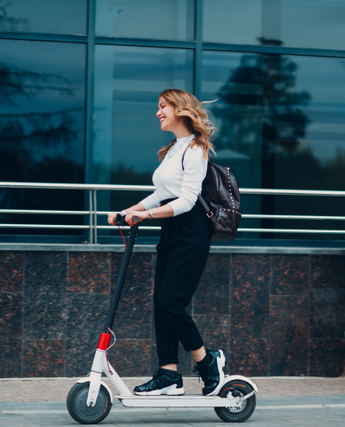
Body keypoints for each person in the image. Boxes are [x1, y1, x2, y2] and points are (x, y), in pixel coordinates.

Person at [107, 88, 227, 397]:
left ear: (180, 109)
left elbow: (187, 200)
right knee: (161, 303)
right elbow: (160, 194)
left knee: (171, 303)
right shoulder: (174, 148)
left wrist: (146, 216)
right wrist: (128, 211)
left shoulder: (196, 149)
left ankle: (206, 360)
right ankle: (168, 374)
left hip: (192, 232)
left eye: (163, 106)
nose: (158, 112)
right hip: (171, 231)